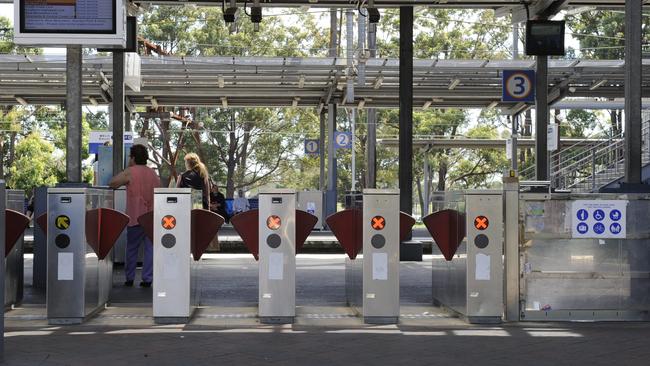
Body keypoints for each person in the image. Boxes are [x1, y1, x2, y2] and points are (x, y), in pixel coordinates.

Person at [109, 144, 161, 288]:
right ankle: (147, 279)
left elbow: (112, 183)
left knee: (132, 248)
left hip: (135, 216)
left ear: (132, 157)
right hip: (151, 217)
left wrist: (126, 171)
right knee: (150, 248)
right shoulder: (152, 173)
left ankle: (130, 278)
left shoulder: (130, 172)